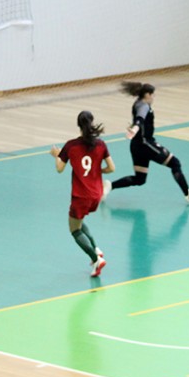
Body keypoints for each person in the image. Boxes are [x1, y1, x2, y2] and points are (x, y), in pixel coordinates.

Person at [102, 82, 189, 203]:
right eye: (153, 95)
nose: (154, 97)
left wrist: (135, 129)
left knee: (140, 179)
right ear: (147, 95)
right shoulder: (144, 106)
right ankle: (188, 193)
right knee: (175, 163)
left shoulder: (138, 103)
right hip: (146, 144)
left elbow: (139, 120)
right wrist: (135, 129)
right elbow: (139, 120)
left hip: (136, 146)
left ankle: (110, 185)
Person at [50, 110, 115, 277]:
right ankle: (97, 249)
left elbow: (59, 169)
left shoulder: (71, 145)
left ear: (78, 125)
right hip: (96, 194)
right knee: (79, 220)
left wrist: (56, 156)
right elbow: (111, 168)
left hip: (81, 195)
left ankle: (96, 259)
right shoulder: (101, 144)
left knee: (74, 229)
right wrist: (97, 171)